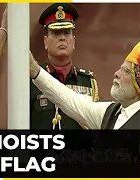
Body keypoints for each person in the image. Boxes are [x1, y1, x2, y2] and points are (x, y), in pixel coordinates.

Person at [29, 39, 140, 177]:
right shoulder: (109, 113)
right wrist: (36, 71)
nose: (117, 73)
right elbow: (70, 100)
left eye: (125, 71)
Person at [30, 3, 99, 131]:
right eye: (56, 33)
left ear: (73, 41)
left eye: (67, 33)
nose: (62, 38)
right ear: (46, 42)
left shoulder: (87, 82)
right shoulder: (32, 81)